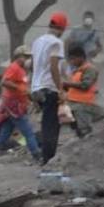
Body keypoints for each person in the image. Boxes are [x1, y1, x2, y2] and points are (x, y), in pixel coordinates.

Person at [31, 12, 68, 164]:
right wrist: (61, 89)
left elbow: (33, 66)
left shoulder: (37, 41)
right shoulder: (57, 43)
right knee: (52, 127)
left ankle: (44, 157)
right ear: (62, 28)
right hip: (49, 88)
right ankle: (48, 160)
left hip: (37, 88)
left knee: (46, 124)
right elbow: (54, 68)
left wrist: (31, 88)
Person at [0, 46, 42, 162]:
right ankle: (37, 154)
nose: (27, 59)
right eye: (25, 57)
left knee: (7, 128)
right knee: (28, 132)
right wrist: (21, 89)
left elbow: (23, 88)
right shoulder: (14, 67)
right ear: (18, 56)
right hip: (14, 105)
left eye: (28, 57)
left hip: (15, 104)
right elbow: (4, 82)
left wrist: (29, 98)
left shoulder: (21, 70)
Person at [62, 43, 104, 138]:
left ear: (81, 57)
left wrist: (66, 84)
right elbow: (72, 87)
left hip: (84, 105)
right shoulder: (78, 71)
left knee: (84, 130)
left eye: (73, 59)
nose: (72, 62)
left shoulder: (90, 69)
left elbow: (86, 85)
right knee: (76, 129)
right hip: (74, 105)